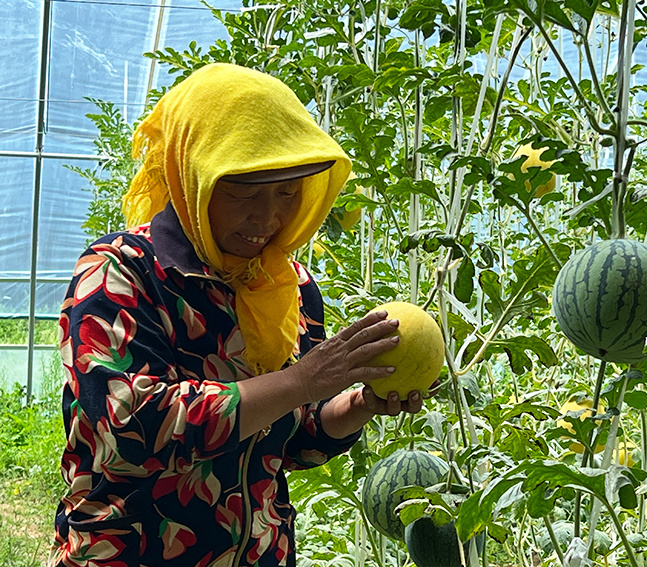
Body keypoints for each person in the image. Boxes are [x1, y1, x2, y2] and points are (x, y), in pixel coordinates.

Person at [51, 63, 425, 566]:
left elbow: (293, 439)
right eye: (245, 190)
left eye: (288, 192)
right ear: (193, 174)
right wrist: (298, 383)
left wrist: (355, 401)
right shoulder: (120, 272)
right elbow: (125, 430)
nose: (267, 218)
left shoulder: (284, 285)